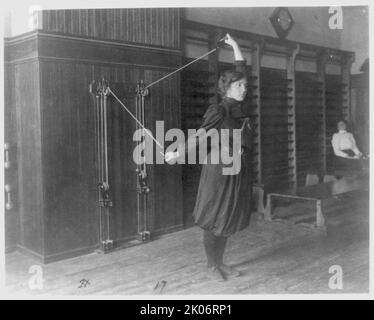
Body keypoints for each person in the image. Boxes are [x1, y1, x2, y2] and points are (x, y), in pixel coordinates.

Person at [165, 34, 252, 281]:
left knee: (225, 218)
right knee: (214, 218)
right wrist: (177, 153)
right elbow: (199, 137)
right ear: (228, 87)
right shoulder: (219, 109)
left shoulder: (239, 108)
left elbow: (240, 68)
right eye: (240, 85)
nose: (244, 89)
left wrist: (235, 45)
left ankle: (220, 262)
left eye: (245, 85)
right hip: (218, 171)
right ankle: (212, 265)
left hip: (235, 168)